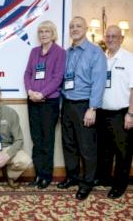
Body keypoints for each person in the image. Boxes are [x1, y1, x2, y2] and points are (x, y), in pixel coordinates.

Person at [57, 16, 107, 200]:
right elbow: (63, 81)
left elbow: (99, 83)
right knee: (69, 145)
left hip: (85, 105)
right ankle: (73, 177)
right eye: (72, 26)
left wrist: (92, 108)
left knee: (87, 147)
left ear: (85, 29)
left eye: (78, 26)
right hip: (68, 104)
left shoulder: (96, 53)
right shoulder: (67, 52)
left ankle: (87, 183)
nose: (74, 29)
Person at [24, 20, 66, 189]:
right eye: (41, 31)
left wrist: (42, 93)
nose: (43, 34)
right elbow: (27, 73)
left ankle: (46, 176)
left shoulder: (60, 52)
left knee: (47, 140)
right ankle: (38, 175)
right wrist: (30, 92)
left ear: (53, 33)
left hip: (49, 102)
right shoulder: (34, 52)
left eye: (47, 31)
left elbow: (58, 78)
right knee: (37, 140)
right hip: (33, 101)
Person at [96, 25, 133, 199]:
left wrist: (131, 114)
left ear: (121, 39)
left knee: (123, 152)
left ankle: (120, 184)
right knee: (104, 149)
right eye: (108, 36)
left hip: (122, 113)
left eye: (114, 36)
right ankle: (105, 179)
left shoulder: (129, 59)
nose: (110, 39)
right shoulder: (102, 58)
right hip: (103, 112)